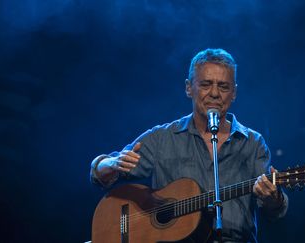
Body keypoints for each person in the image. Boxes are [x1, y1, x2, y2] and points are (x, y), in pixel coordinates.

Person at [90, 48, 288, 242]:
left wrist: (274, 199)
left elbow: (274, 212)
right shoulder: (162, 138)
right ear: (188, 88)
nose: (214, 93)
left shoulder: (253, 143)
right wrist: (112, 163)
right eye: (206, 84)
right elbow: (98, 173)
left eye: (224, 87)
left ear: (234, 93)